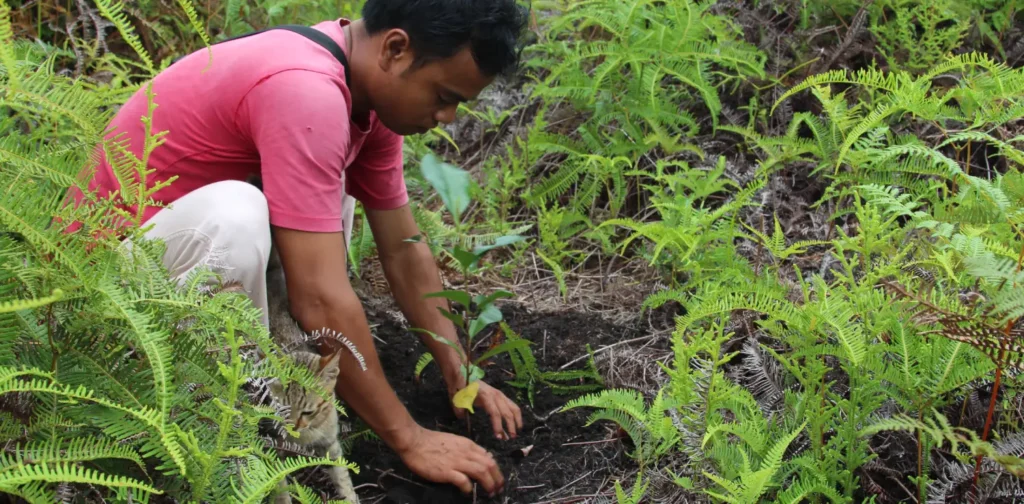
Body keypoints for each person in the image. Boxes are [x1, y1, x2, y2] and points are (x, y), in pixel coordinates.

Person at [65, 0, 529, 497]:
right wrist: (409, 438)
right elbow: (320, 297)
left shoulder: (361, 93)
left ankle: (279, 375)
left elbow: (404, 250)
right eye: (442, 95)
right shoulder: (304, 87)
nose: (445, 116)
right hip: (100, 306)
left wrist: (460, 369)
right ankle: (228, 426)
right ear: (395, 49)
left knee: (326, 200)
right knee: (238, 215)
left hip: (170, 273)